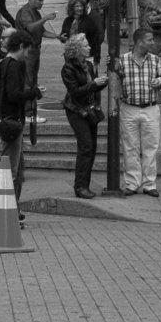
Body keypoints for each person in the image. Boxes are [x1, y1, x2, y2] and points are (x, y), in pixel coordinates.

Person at [112, 27, 161, 197]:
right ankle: (132, 182)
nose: (152, 43)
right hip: (129, 108)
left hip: (150, 108)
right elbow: (114, 79)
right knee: (130, 147)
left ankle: (150, 183)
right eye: (149, 40)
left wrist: (159, 81)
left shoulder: (156, 60)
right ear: (139, 42)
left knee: (150, 147)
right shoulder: (122, 61)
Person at [60, 32, 108, 199]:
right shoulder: (68, 68)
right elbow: (75, 93)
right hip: (77, 110)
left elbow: (93, 87)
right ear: (77, 49)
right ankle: (80, 186)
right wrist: (95, 84)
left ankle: (84, 185)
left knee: (91, 147)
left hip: (90, 109)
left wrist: (103, 80)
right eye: (86, 46)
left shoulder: (88, 65)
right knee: (86, 146)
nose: (89, 48)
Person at [0, 34, 38, 207]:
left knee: (17, 169)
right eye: (27, 50)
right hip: (13, 120)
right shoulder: (16, 66)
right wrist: (33, 92)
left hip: (2, 119)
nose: (27, 54)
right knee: (12, 170)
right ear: (20, 46)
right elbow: (14, 95)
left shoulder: (1, 65)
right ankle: (8, 210)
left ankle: (13, 209)